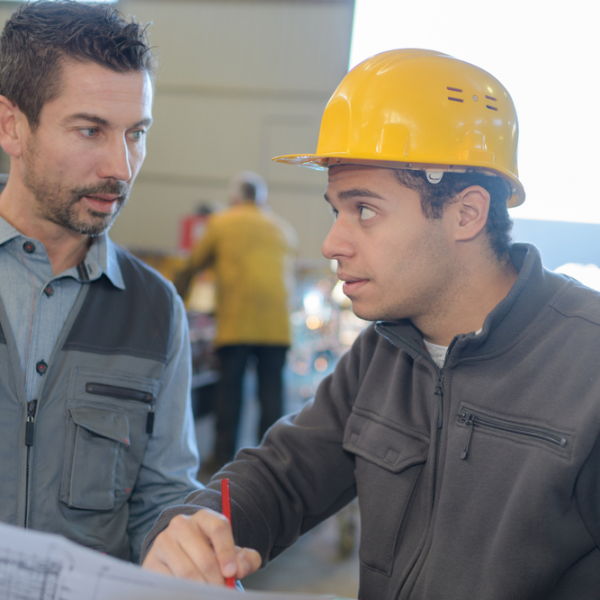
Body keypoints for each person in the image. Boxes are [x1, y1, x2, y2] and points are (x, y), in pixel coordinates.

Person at [141, 49, 600, 598]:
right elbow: (283, 475)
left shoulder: (587, 367)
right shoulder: (386, 350)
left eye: (365, 211)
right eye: (337, 210)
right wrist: (194, 530)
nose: (332, 243)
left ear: (466, 213)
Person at [0, 1, 201, 563]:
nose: (121, 166)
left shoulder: (155, 310)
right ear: (11, 126)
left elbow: (163, 491)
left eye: (136, 133)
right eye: (91, 130)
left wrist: (180, 549)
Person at [175, 171, 297, 470]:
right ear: (262, 200)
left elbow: (193, 264)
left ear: (234, 198)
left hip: (237, 323)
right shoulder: (283, 228)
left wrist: (174, 299)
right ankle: (272, 461)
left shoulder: (222, 222)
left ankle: (222, 458)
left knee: (230, 392)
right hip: (277, 326)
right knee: (272, 394)